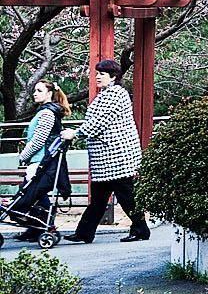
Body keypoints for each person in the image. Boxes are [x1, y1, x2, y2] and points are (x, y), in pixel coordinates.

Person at [61, 59, 149, 243]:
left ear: (114, 76)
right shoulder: (106, 94)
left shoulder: (116, 94)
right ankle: (84, 233)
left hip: (118, 158)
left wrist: (74, 133)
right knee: (99, 200)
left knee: (126, 198)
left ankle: (141, 230)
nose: (97, 77)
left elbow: (97, 123)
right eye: (97, 73)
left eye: (102, 73)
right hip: (106, 160)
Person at [12, 79, 71, 241]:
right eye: (35, 91)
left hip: (40, 160)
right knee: (36, 194)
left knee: (32, 193)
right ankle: (37, 228)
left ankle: (38, 226)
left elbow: (38, 140)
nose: (35, 94)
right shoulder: (48, 111)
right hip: (41, 160)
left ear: (49, 94)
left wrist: (23, 156)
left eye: (39, 91)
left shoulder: (47, 113)